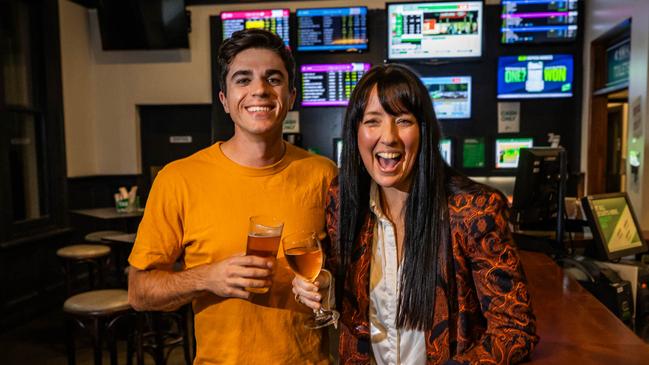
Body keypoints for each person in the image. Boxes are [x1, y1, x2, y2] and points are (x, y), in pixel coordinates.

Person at [293, 64, 539, 364]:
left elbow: (514, 329)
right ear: (355, 132)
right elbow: (345, 287)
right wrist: (325, 287)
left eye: (403, 120)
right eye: (373, 121)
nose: (389, 137)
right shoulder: (343, 199)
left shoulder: (474, 210)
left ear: (424, 131)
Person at [128, 29, 337, 364]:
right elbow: (139, 292)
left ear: (292, 95)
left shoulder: (324, 174)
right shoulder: (178, 179)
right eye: (243, 79)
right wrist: (207, 278)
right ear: (224, 99)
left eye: (273, 78)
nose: (260, 90)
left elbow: (350, 271)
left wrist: (327, 283)